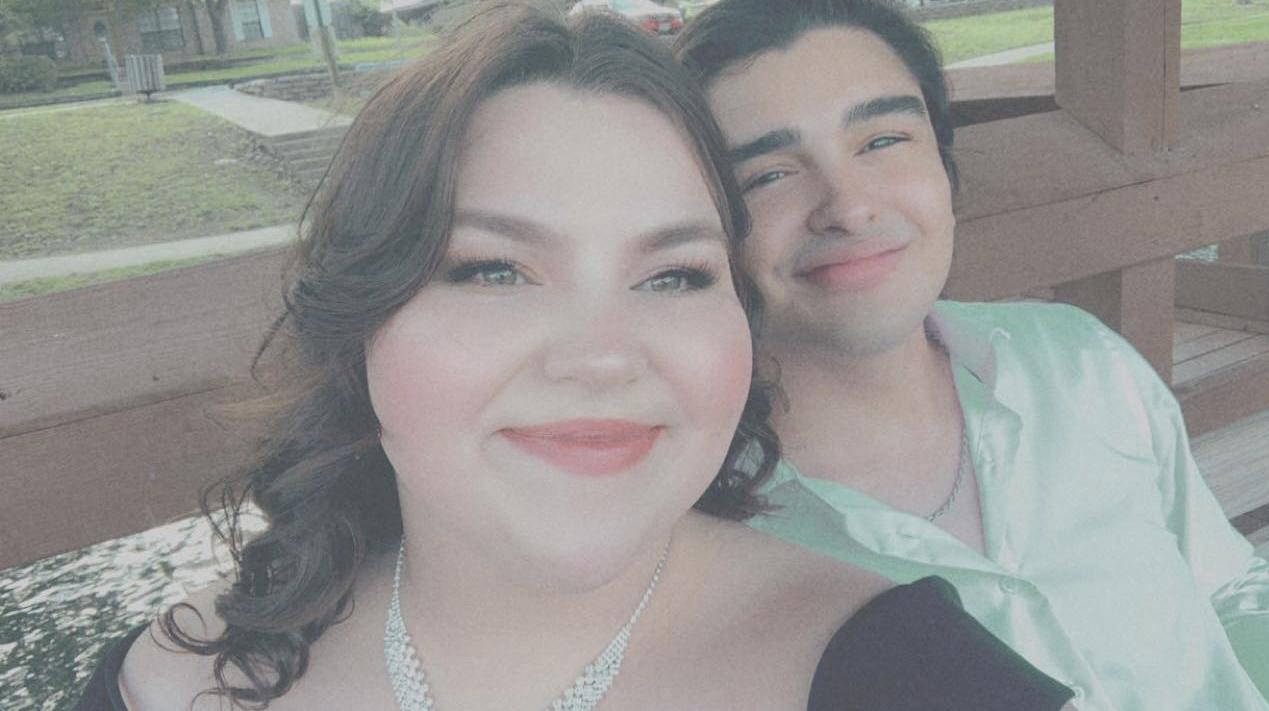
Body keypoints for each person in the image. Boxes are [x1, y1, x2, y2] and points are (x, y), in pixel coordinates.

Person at [74, 6, 1075, 710]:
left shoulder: (907, 675)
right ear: (359, 318)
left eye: (674, 275)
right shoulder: (168, 682)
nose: (601, 358)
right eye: (494, 270)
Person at [675, 1, 1269, 709]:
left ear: (943, 164)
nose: (849, 207)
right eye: (767, 175)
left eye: (882, 140)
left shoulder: (1077, 360)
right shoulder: (702, 533)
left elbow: (1224, 585)